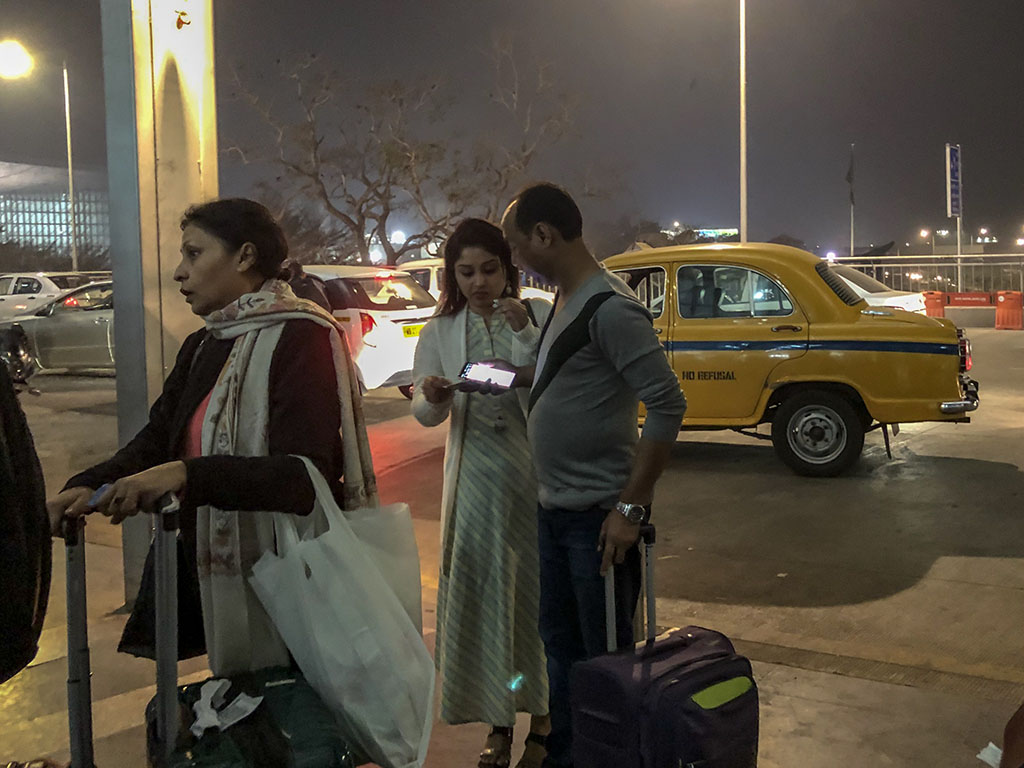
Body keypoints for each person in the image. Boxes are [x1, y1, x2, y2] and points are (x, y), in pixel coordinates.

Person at [45, 198, 375, 677]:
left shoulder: (302, 337)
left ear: (243, 257)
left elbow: (302, 476)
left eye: (194, 254)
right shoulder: (205, 344)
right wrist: (88, 483)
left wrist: (184, 475)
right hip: (216, 571)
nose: (179, 272)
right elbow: (160, 437)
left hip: (290, 574)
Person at [499, 183, 687, 768]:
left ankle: (608, 758)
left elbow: (667, 404)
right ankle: (571, 755)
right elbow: (572, 376)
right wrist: (515, 375)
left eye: (515, 246)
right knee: (561, 650)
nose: (515, 261)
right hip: (556, 511)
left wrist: (629, 509)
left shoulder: (610, 306)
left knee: (603, 662)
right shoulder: (566, 299)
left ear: (544, 235)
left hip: (598, 522)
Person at [411, 218, 552, 768]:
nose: (479, 282)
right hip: (475, 485)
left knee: (535, 598)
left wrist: (523, 334)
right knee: (491, 601)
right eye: (465, 272)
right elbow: (423, 414)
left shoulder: (537, 313)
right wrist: (434, 394)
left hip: (532, 479)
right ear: (451, 276)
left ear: (508, 268)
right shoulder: (440, 331)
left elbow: (556, 382)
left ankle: (544, 720)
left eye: (489, 269)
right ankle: (499, 722)